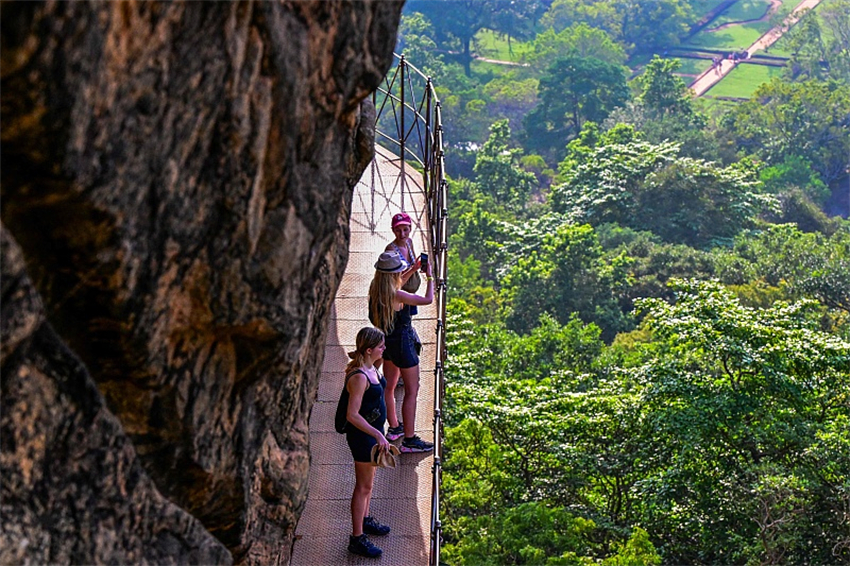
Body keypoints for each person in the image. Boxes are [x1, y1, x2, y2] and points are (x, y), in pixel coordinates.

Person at [369, 250, 434, 453]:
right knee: (412, 391)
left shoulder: (377, 289)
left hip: (387, 342)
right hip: (404, 344)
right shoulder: (398, 294)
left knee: (389, 387)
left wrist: (413, 269)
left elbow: (395, 283)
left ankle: (395, 428)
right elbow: (428, 300)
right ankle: (409, 440)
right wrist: (430, 276)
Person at [345, 326, 392, 558]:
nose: (384, 348)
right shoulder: (359, 377)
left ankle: (365, 519)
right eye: (381, 346)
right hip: (363, 437)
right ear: (370, 349)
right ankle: (357, 537)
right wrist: (377, 434)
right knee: (362, 486)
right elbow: (351, 415)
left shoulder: (372, 368)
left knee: (369, 484)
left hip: (373, 433)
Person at [385, 212, 421, 313]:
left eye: (405, 229)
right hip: (399, 296)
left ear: (410, 228)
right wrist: (413, 269)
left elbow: (413, 262)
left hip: (410, 293)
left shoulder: (409, 242)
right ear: (393, 230)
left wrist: (420, 265)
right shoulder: (391, 250)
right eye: (398, 230)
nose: (402, 234)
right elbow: (392, 280)